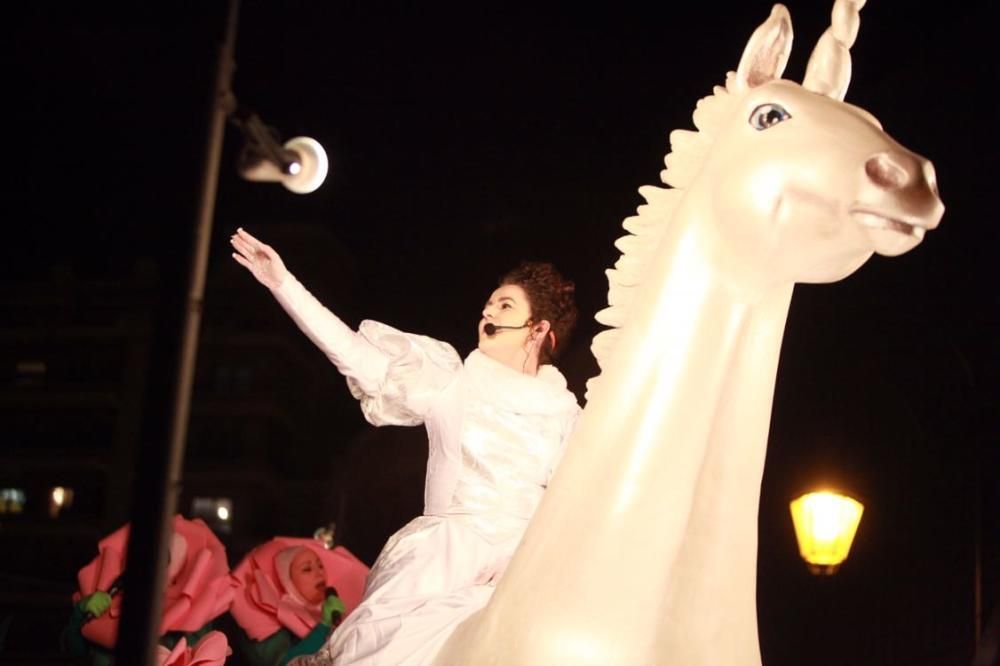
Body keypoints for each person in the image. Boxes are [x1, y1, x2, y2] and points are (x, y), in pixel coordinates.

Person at [230, 227, 581, 665]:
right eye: (488, 304)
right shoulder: (453, 381)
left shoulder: (566, 414)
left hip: (522, 571)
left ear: (539, 328)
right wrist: (286, 285)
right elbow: (356, 356)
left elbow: (583, 496)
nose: (487, 312)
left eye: (504, 305)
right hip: (442, 568)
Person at [229, 537, 370, 666]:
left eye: (320, 565)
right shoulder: (269, 628)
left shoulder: (337, 609)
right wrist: (323, 626)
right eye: (307, 569)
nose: (319, 573)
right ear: (287, 581)